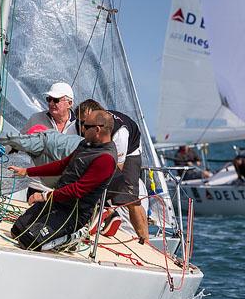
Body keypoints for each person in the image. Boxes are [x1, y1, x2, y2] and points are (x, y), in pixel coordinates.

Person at [8, 110, 117, 251]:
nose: (82, 128)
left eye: (86, 125)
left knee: (28, 241)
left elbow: (78, 190)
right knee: (17, 230)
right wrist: (27, 171)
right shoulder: (86, 144)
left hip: (74, 212)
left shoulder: (105, 159)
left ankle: (73, 237)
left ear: (97, 129)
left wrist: (43, 196)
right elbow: (62, 165)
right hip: (58, 202)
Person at [76, 99, 149, 244]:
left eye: (86, 123)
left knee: (129, 196)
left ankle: (145, 240)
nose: (83, 128)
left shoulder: (120, 133)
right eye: (81, 122)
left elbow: (116, 168)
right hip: (102, 146)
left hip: (128, 153)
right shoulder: (80, 125)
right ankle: (108, 215)